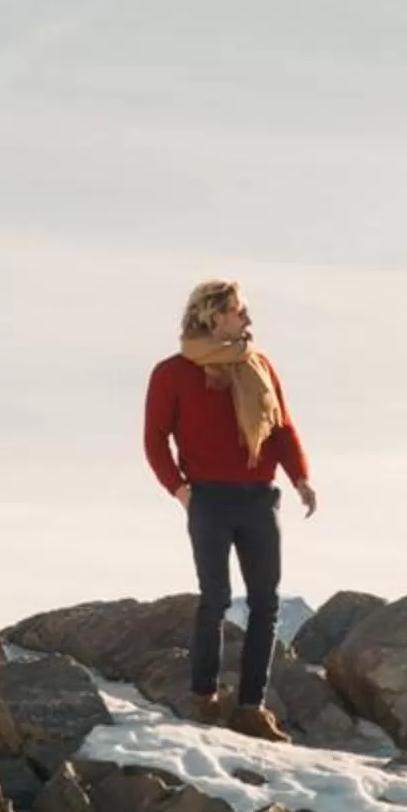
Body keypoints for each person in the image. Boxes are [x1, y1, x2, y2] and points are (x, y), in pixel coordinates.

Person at [144, 280, 318, 742]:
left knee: (266, 602)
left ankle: (250, 708)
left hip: (259, 496)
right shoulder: (173, 373)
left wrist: (300, 477)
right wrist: (179, 490)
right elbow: (154, 439)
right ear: (211, 316)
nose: (248, 320)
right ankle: (204, 697)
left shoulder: (258, 367)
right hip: (208, 498)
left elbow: (281, 428)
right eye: (239, 311)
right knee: (216, 597)